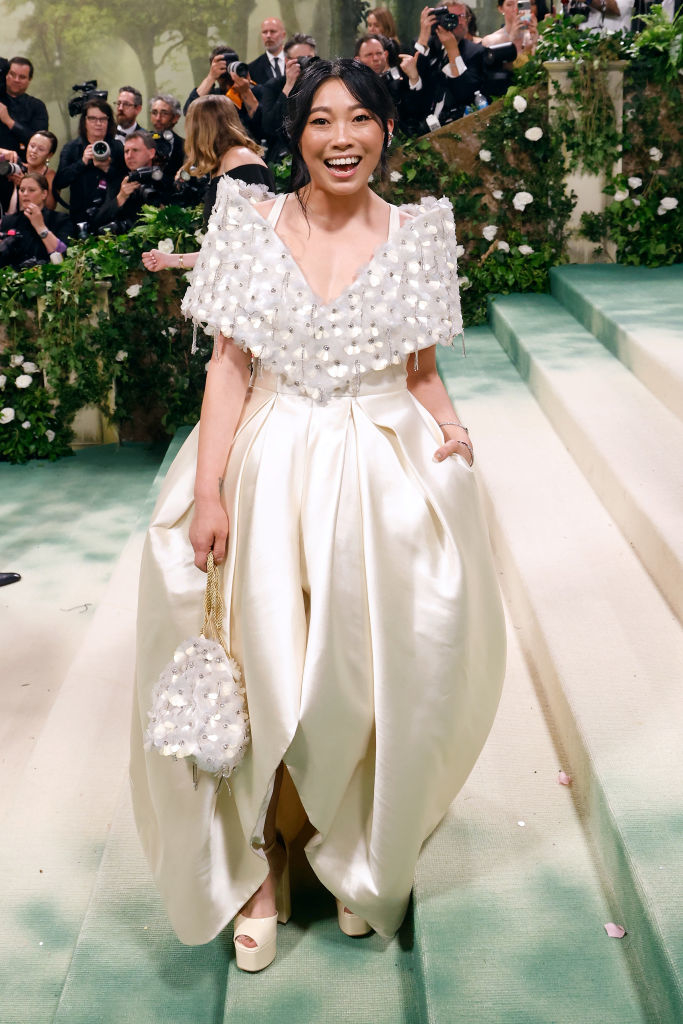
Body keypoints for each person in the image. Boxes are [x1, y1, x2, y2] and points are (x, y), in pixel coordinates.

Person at [131, 58, 505, 973]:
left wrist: (451, 431)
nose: (343, 138)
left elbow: (419, 372)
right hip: (270, 458)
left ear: (385, 129)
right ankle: (260, 868)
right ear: (294, 135)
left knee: (365, 668)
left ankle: (349, 847)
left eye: (361, 120)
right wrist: (210, 490)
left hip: (378, 468)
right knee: (260, 667)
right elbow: (226, 366)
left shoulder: (420, 233)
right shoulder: (247, 223)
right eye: (322, 122)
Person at [142, 94, 274, 274]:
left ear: (202, 128)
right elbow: (225, 247)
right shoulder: (226, 162)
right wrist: (169, 260)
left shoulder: (240, 160)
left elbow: (251, 243)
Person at [53, 98, 125, 230]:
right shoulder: (72, 147)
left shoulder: (117, 147)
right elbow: (59, 181)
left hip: (111, 216)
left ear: (108, 122)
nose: (98, 123)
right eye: (92, 118)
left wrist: (107, 168)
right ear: (84, 121)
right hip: (80, 218)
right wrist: (82, 162)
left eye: (103, 119)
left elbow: (126, 181)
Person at [90, 130, 166, 233]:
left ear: (151, 153)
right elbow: (96, 223)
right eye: (126, 151)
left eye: (135, 150)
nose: (129, 156)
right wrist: (120, 198)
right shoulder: (119, 182)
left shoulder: (164, 181)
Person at [259, 33, 319, 163]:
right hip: (284, 157)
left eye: (309, 58)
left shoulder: (322, 85)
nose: (306, 62)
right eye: (300, 58)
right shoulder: (274, 86)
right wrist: (288, 86)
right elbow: (269, 127)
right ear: (287, 61)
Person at [354, 34, 430, 136]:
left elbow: (416, 111)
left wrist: (414, 77)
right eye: (369, 55)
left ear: (385, 55)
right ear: (357, 60)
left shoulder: (397, 84)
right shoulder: (352, 88)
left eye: (379, 53)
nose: (375, 58)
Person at [0, 57, 49, 213]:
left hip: (23, 177)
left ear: (29, 80)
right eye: (12, 74)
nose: (16, 80)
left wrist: (9, 121)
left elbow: (40, 141)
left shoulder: (37, 106)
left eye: (22, 77)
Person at [0, 172, 71, 268]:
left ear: (44, 194)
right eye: (21, 190)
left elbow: (63, 258)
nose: (25, 194)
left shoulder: (61, 220)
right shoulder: (8, 221)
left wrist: (40, 227)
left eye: (31, 190)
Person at [0, 129, 59, 215]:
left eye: (41, 149)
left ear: (49, 155)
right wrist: (4, 152)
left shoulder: (50, 176)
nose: (34, 151)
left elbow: (49, 208)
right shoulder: (17, 168)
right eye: (32, 146)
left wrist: (24, 186)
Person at [149, 93, 185, 180]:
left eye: (164, 113)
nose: (158, 118)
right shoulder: (143, 140)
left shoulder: (186, 146)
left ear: (175, 117)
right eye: (154, 113)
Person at [248, 17, 288, 83]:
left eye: (273, 31)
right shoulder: (252, 69)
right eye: (264, 32)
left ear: (283, 35)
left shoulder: (295, 61)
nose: (268, 36)